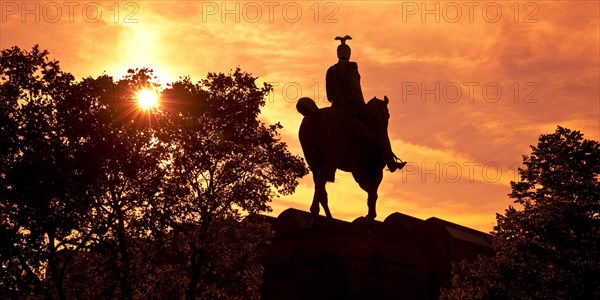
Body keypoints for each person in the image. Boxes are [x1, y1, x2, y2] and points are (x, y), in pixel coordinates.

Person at [325, 35, 406, 172]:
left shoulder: (331, 70)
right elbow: (354, 87)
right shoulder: (352, 67)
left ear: (338, 54)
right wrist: (361, 105)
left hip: (336, 105)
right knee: (380, 129)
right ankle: (391, 163)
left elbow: (329, 95)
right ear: (348, 54)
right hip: (352, 105)